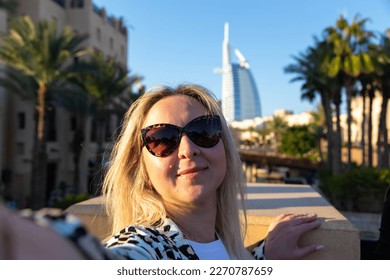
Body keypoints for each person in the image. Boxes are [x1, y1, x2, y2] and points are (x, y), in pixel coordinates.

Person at [0, 84, 322, 260]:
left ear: (224, 147)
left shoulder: (225, 245)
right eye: (162, 140)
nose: (187, 150)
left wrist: (264, 258)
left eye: (204, 131)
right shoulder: (148, 247)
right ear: (140, 167)